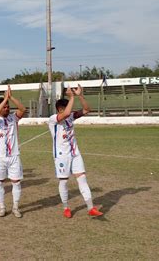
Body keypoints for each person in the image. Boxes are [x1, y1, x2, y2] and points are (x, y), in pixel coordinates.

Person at [48, 84, 103, 218]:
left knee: (82, 179)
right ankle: (66, 207)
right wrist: (71, 97)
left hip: (75, 153)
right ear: (59, 109)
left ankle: (91, 207)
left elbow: (86, 109)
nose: (70, 112)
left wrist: (79, 96)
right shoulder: (53, 119)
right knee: (64, 181)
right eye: (67, 108)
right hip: (61, 156)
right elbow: (67, 113)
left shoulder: (70, 116)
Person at [0, 85, 26, 218]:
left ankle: (15, 207)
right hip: (0, 157)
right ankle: (2, 207)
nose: (7, 108)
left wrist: (11, 98)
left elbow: (23, 109)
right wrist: (4, 99)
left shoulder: (13, 118)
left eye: (7, 106)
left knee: (16, 182)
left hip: (14, 155)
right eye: (4, 106)